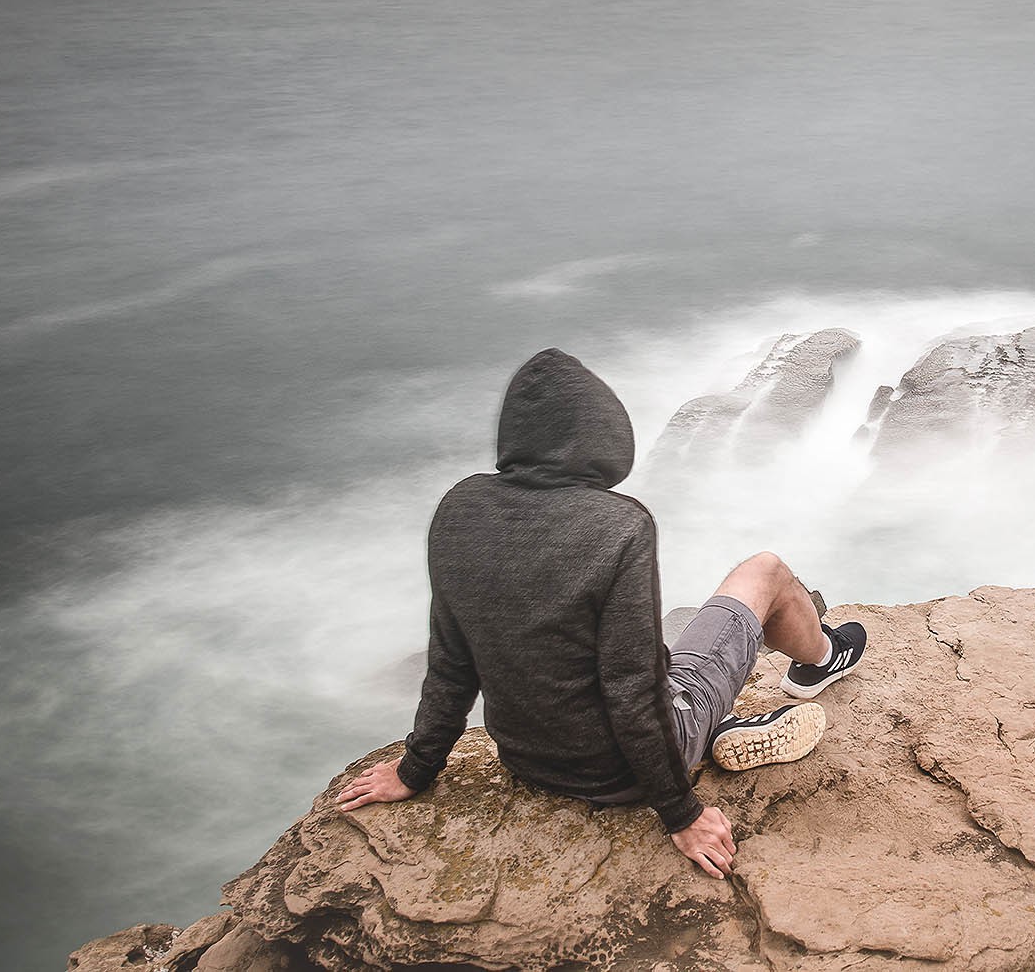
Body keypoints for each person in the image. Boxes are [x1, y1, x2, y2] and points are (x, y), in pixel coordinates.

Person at [334, 347, 867, 879]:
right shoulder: (619, 525)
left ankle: (718, 723)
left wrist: (416, 768)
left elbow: (451, 661)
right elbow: (632, 690)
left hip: (528, 760)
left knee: (671, 638)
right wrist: (683, 814)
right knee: (765, 570)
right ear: (604, 435)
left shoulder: (460, 508)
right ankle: (820, 661)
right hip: (626, 773)